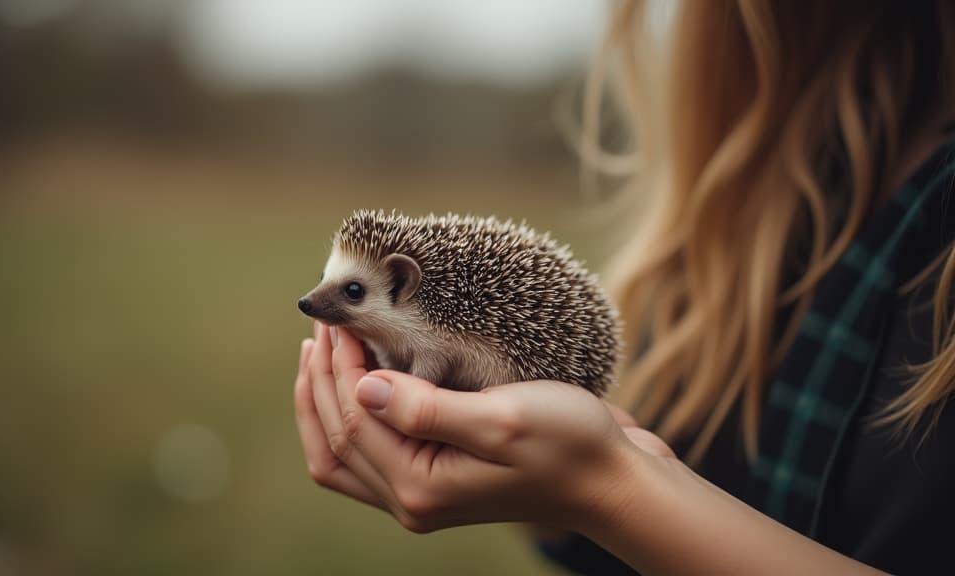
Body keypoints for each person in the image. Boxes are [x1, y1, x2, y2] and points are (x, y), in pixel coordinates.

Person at [293, 1, 955, 574]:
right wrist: (539, 489)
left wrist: (608, 490)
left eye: (350, 295)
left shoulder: (431, 330)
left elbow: (446, 371)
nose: (316, 304)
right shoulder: (778, 192)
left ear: (405, 285)